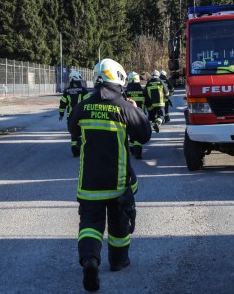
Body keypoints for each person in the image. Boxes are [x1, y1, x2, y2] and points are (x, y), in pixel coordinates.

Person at [68, 59, 152, 292]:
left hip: (89, 184)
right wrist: (135, 109)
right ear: (119, 79)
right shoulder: (124, 107)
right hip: (118, 184)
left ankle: (90, 261)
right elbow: (144, 135)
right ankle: (118, 261)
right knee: (118, 225)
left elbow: (72, 130)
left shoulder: (83, 106)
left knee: (90, 224)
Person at [59, 70, 90, 156]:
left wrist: (61, 114)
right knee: (82, 131)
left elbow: (63, 104)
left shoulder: (67, 91)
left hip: (71, 116)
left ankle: (74, 149)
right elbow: (89, 102)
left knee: (73, 132)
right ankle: (81, 147)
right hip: (82, 116)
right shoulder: (83, 90)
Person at [125, 71, 146, 159]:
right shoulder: (143, 91)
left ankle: (131, 149)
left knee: (131, 134)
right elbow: (148, 103)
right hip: (140, 116)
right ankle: (137, 152)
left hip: (128, 117)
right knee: (138, 135)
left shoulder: (125, 92)